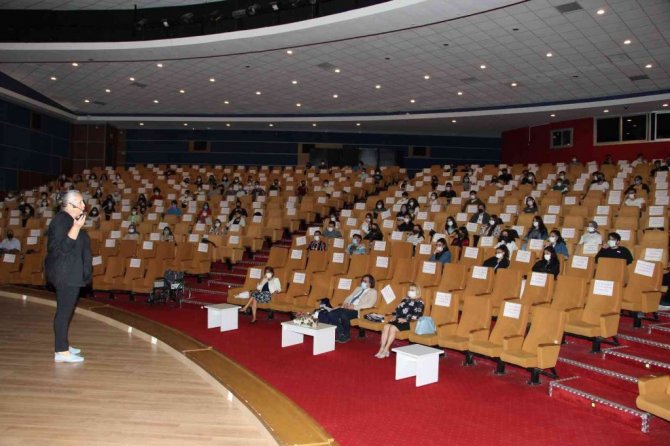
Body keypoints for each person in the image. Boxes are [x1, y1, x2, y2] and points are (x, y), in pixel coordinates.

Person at [45, 190, 91, 363]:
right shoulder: (61, 220)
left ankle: (63, 344)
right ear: (69, 205)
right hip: (65, 274)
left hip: (71, 272)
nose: (83, 205)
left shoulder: (69, 220)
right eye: (79, 203)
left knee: (65, 311)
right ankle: (61, 351)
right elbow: (62, 248)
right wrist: (77, 227)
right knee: (64, 313)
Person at [375, 283, 425, 358]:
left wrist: (406, 319)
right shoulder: (405, 299)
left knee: (392, 328)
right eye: (409, 289)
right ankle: (381, 348)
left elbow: (418, 315)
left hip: (408, 322)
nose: (410, 291)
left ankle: (386, 349)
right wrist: (394, 316)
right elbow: (397, 310)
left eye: (412, 290)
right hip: (398, 319)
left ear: (417, 291)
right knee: (386, 326)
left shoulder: (420, 302)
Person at [326, 274, 378, 343]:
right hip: (348, 307)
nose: (363, 282)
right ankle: (341, 333)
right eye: (362, 281)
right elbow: (349, 297)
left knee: (344, 314)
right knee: (331, 313)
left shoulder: (373, 292)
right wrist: (345, 303)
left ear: (370, 283)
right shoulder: (358, 288)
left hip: (358, 310)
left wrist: (354, 307)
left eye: (365, 281)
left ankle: (346, 335)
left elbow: (369, 304)